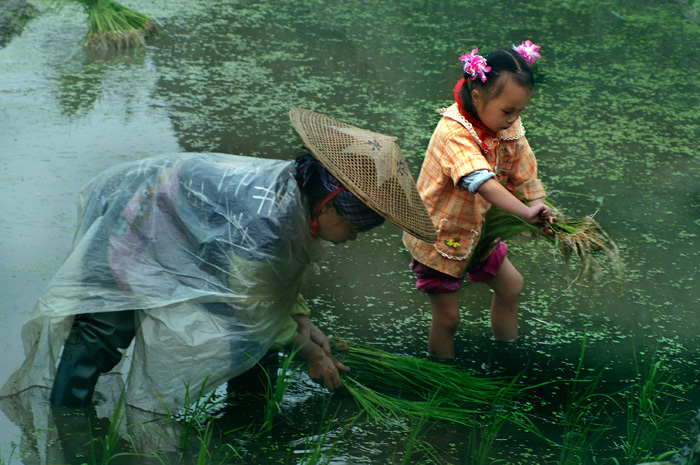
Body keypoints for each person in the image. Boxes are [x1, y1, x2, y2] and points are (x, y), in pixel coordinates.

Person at [0, 108, 437, 412]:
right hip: (139, 214)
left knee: (261, 337)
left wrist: (304, 322)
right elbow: (250, 306)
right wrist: (307, 351)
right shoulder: (269, 217)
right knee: (106, 327)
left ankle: (245, 411)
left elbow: (280, 280)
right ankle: (69, 415)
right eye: (354, 230)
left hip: (189, 226)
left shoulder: (299, 200)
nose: (353, 239)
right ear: (328, 207)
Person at [402, 41, 553, 359]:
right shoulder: (454, 133)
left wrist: (541, 210)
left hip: (478, 232)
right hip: (439, 238)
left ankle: (506, 355)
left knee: (512, 286)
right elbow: (482, 182)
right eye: (508, 111)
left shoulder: (508, 128)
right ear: (477, 97)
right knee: (448, 318)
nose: (514, 119)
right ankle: (442, 374)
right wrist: (526, 213)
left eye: (520, 111)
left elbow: (526, 174)